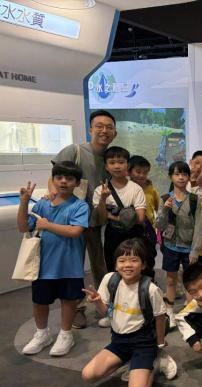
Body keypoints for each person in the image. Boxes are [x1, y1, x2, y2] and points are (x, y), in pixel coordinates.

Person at [81, 239, 177, 387]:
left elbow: (160, 317)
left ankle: (155, 362)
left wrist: (159, 345)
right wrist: (98, 301)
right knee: (88, 375)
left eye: (134, 260)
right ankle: (130, 362)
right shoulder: (110, 280)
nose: (127, 265)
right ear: (116, 264)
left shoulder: (150, 289)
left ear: (143, 264)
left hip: (143, 342)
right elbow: (106, 313)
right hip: (119, 341)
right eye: (122, 260)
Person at [50, 110, 117, 328]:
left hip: (96, 221)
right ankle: (76, 308)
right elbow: (55, 176)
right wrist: (54, 199)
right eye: (99, 126)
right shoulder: (75, 150)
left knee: (100, 264)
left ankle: (103, 305)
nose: (104, 131)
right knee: (73, 265)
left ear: (115, 133)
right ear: (90, 129)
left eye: (109, 127)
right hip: (72, 221)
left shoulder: (111, 158)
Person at [18, 162, 89, 357]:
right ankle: (42, 334)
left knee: (69, 300)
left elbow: (75, 231)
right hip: (43, 265)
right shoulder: (42, 204)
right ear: (53, 180)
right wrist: (24, 202)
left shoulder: (80, 206)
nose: (64, 181)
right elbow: (23, 227)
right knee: (40, 301)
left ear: (77, 183)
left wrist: (47, 225)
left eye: (69, 178)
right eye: (59, 177)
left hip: (70, 265)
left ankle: (66, 335)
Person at [156, 161, 202, 326]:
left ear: (189, 177)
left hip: (189, 247)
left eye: (184, 174)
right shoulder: (165, 198)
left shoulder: (195, 199)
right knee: (170, 280)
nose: (181, 177)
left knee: (189, 281)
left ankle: (189, 312)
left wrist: (195, 250)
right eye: (177, 174)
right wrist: (164, 209)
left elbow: (199, 226)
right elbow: (159, 225)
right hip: (170, 246)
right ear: (171, 177)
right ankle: (169, 311)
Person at [93, 147, 146, 272]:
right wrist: (103, 199)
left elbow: (140, 219)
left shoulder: (136, 189)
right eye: (112, 163)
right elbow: (101, 219)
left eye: (121, 162)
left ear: (128, 165)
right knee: (114, 269)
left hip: (134, 236)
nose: (117, 166)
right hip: (112, 236)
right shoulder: (100, 190)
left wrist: (112, 216)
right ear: (106, 167)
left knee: (134, 270)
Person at [128, 155, 160, 279]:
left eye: (145, 172)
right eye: (138, 171)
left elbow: (158, 207)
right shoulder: (126, 189)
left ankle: (149, 281)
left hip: (148, 229)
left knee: (148, 256)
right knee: (133, 255)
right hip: (131, 228)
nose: (141, 175)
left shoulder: (151, 189)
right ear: (129, 171)